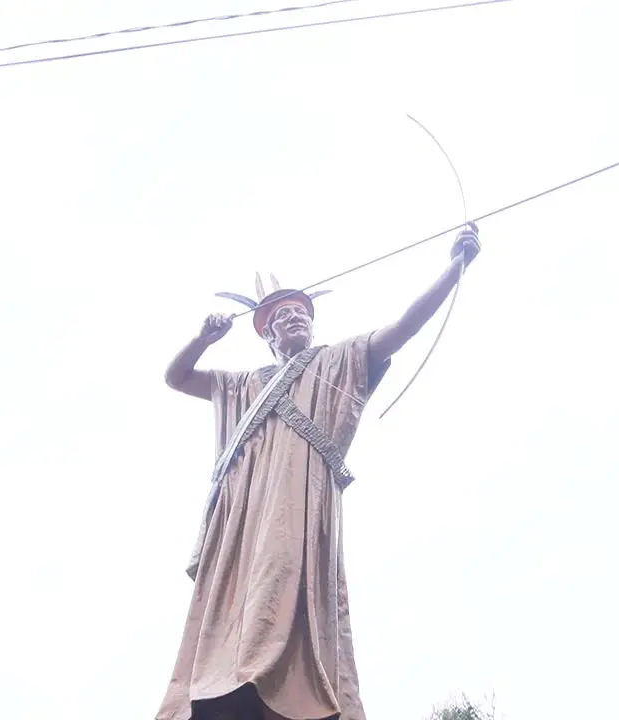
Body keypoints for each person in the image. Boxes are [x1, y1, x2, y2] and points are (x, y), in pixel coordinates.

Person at [156, 225, 483, 720]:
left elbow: (403, 327)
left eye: (300, 314)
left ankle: (284, 684)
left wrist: (453, 269)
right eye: (282, 316)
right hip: (243, 508)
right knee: (238, 586)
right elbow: (176, 377)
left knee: (286, 573)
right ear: (267, 335)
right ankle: (219, 677)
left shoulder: (337, 361)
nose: (293, 320)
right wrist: (204, 338)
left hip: (301, 497)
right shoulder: (241, 385)